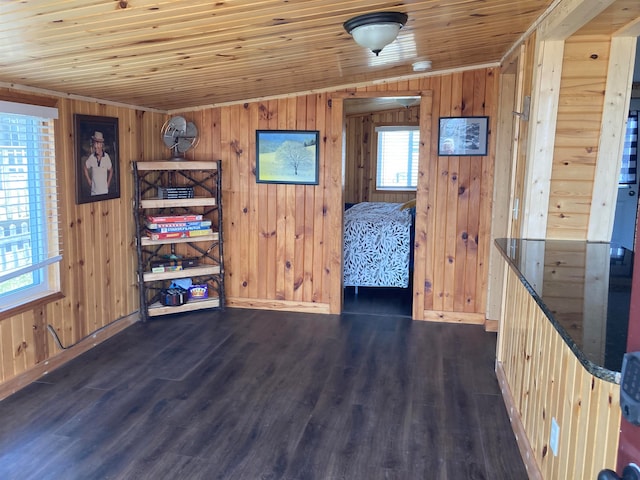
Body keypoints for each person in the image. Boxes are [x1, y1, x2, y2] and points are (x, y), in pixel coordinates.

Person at [84, 131, 113, 195]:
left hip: (104, 192)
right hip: (94, 193)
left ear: (102, 144)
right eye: (95, 143)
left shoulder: (106, 157)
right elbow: (85, 168)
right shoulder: (91, 157)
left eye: (98, 143)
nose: (96, 146)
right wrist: (89, 181)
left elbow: (111, 170)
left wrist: (108, 184)